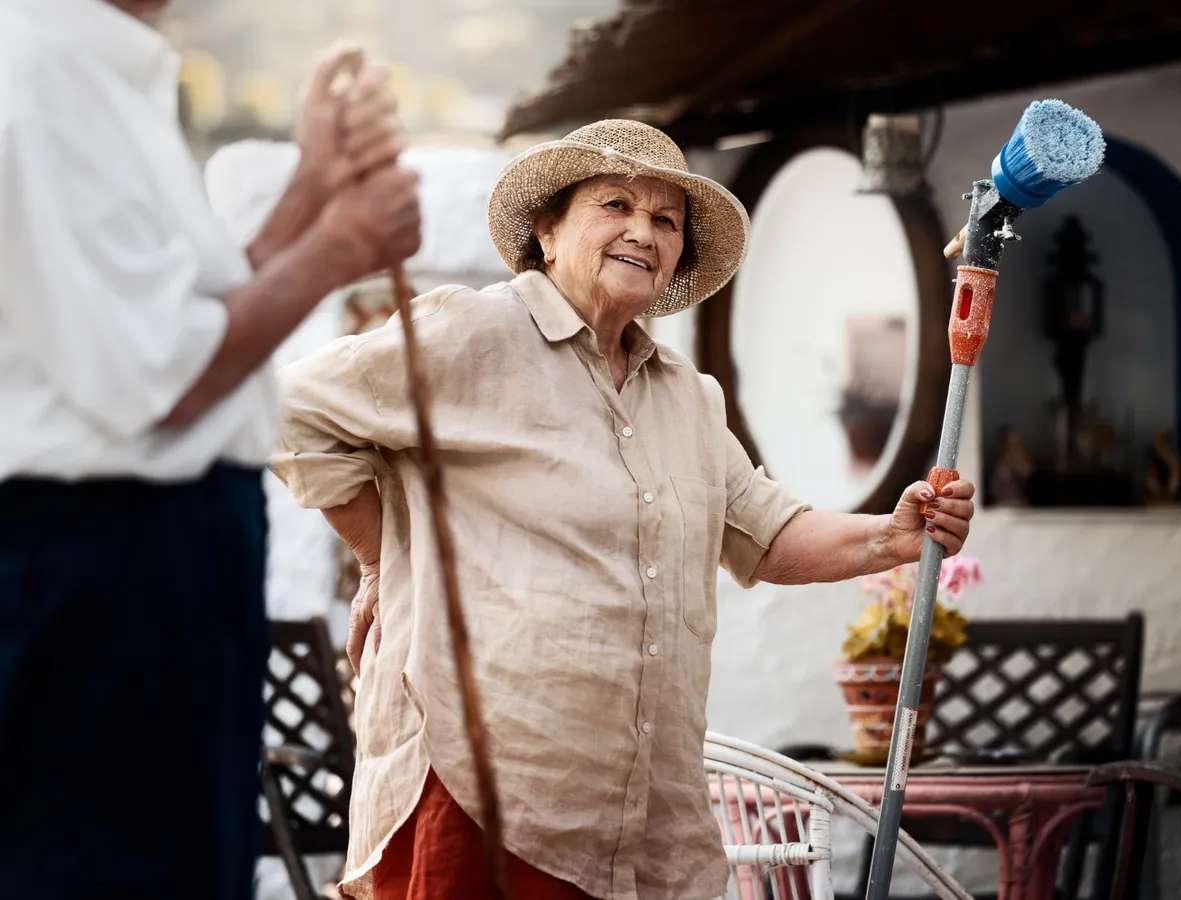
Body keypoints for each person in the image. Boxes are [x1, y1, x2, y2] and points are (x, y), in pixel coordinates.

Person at [271, 119, 976, 900]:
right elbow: (288, 414)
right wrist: (381, 558)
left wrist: (891, 535)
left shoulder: (688, 396)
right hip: (488, 791)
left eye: (666, 220)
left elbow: (766, 535)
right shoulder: (474, 333)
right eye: (616, 204)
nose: (644, 231)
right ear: (548, 227)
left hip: (642, 816)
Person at [0, 1, 421, 897]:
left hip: (148, 552)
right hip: (99, 553)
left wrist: (312, 187)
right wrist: (345, 243)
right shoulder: (35, 74)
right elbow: (164, 374)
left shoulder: (99, 71)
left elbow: (183, 308)